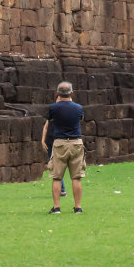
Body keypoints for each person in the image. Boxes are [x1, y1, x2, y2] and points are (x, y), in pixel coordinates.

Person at [41, 81, 84, 214]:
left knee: (57, 177)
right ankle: (77, 207)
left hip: (60, 143)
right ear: (72, 93)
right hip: (76, 142)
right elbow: (80, 119)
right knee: (76, 177)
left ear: (57, 93)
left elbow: (50, 120)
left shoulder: (53, 108)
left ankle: (57, 207)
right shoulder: (78, 108)